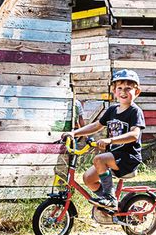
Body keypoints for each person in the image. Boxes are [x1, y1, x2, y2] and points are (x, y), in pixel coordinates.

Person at [62, 69, 145, 209]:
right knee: (88, 179)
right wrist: (74, 133)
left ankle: (110, 198)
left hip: (128, 158)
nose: (123, 92)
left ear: (136, 92)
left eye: (128, 88)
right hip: (114, 156)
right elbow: (97, 125)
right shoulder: (112, 110)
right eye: (119, 88)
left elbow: (134, 135)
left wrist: (110, 141)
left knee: (99, 159)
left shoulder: (135, 111)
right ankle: (113, 205)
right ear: (114, 91)